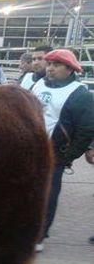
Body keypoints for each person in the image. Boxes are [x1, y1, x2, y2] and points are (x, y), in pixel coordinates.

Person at [31, 49, 94, 252]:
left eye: (56, 65)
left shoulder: (80, 93)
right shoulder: (38, 84)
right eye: (49, 64)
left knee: (47, 195)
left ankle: (40, 235)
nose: (50, 69)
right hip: (30, 150)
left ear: (69, 69)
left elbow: (86, 129)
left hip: (54, 153)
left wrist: (68, 156)